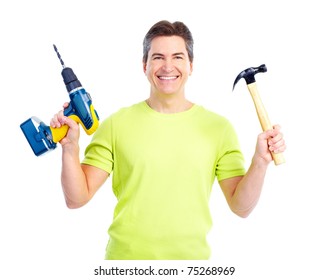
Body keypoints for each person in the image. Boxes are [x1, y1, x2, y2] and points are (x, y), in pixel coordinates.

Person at [50, 20, 286, 260]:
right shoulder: (115, 125)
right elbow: (76, 199)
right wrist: (70, 148)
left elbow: (241, 207)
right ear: (145, 65)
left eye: (178, 57)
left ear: (191, 65)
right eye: (158, 57)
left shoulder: (219, 128)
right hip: (125, 265)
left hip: (191, 267)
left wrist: (260, 161)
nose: (167, 66)